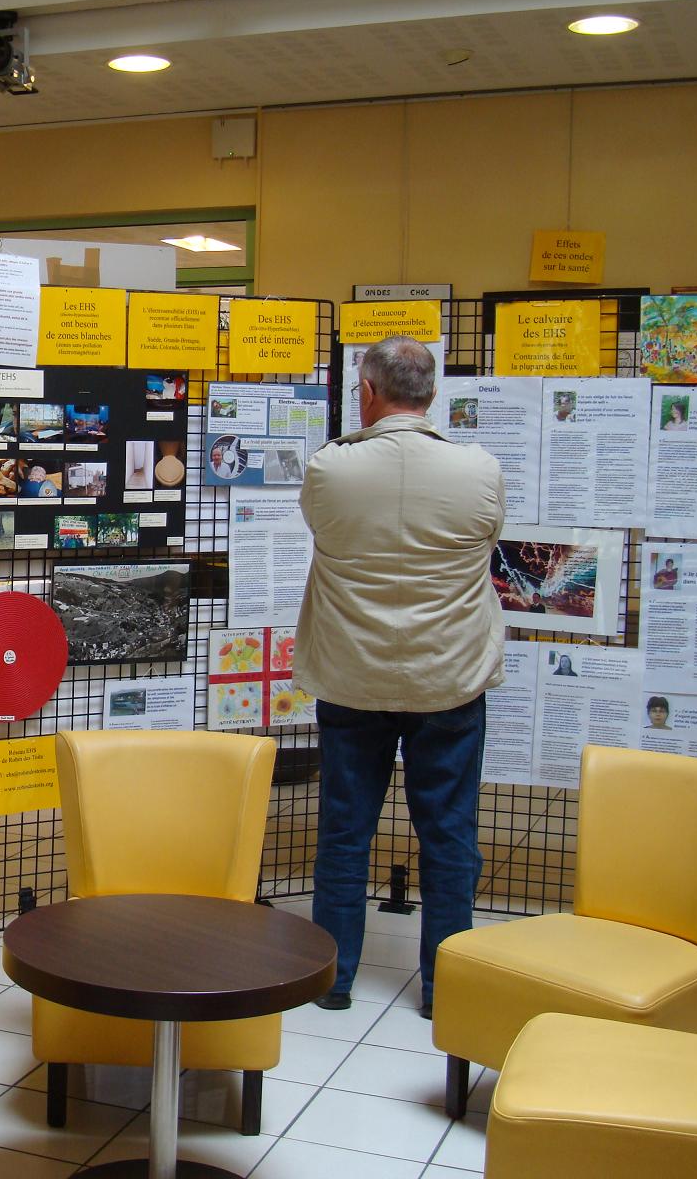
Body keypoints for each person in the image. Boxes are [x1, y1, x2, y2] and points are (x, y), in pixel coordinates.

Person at [293, 335, 505, 1019]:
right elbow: (488, 540)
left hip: (353, 679)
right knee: (449, 835)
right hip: (448, 678)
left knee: (345, 831)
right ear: (433, 393)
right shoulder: (479, 470)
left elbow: (323, 530)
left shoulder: (331, 469)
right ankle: (446, 989)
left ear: (368, 392)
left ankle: (334, 979)